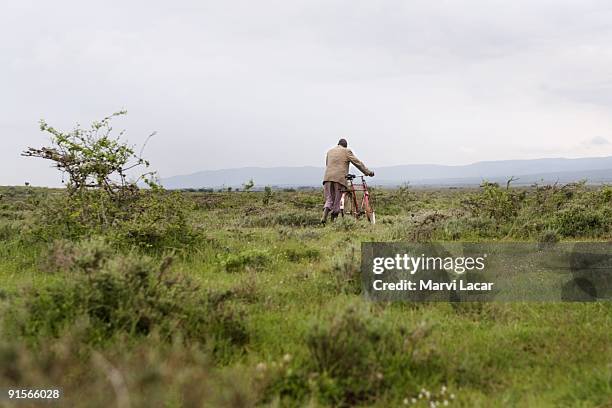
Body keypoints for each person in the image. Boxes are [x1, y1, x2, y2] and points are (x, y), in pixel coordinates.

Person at [321, 138, 374, 224]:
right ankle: (333, 221)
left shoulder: (329, 151)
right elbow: (357, 163)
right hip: (339, 179)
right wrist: (368, 172)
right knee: (337, 200)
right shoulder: (346, 151)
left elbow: (328, 164)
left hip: (327, 178)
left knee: (329, 198)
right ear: (345, 145)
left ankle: (324, 216)